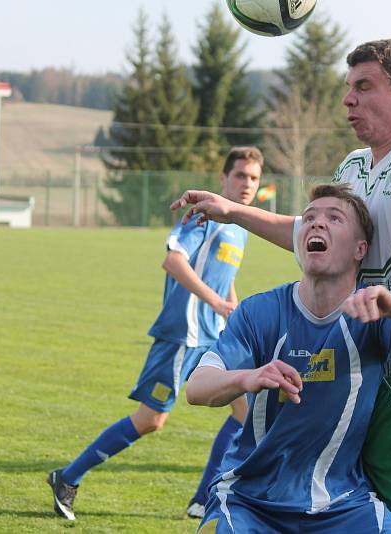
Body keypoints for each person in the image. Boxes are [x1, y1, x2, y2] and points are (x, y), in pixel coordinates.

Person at [172, 39, 391, 534]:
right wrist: (232, 211)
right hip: (356, 369)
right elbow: (310, 228)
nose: (348, 100)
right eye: (348, 88)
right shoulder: (355, 166)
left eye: (364, 87)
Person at [187, 183, 391, 534]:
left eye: (334, 218)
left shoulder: (370, 312)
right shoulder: (261, 312)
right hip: (249, 500)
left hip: (341, 503)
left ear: (361, 249)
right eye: (309, 218)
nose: (316, 224)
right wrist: (245, 378)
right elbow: (196, 388)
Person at [46, 147, 264, 521]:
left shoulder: (239, 229)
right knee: (150, 420)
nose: (247, 184)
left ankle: (202, 500)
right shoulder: (202, 219)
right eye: (240, 175)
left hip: (212, 336)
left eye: (254, 178)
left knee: (247, 413)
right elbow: (173, 260)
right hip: (183, 335)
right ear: (223, 179)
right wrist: (214, 302)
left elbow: (224, 278)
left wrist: (234, 309)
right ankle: (67, 477)